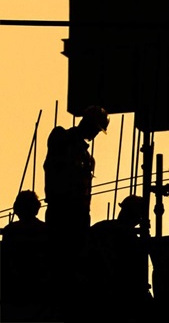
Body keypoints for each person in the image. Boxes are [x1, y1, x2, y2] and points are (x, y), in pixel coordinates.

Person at [44, 105, 109, 288]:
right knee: (59, 261)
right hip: (61, 211)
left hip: (79, 215)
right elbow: (60, 160)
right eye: (95, 129)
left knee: (76, 261)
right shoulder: (61, 137)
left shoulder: (87, 157)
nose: (95, 134)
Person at [86, 195, 152, 322]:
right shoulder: (130, 239)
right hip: (118, 297)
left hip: (95, 293)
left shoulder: (100, 227)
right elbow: (135, 275)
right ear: (137, 218)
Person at [2, 190, 53, 321]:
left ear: (17, 209)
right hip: (40, 292)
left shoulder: (10, 231)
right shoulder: (46, 231)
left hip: (15, 293)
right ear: (36, 209)